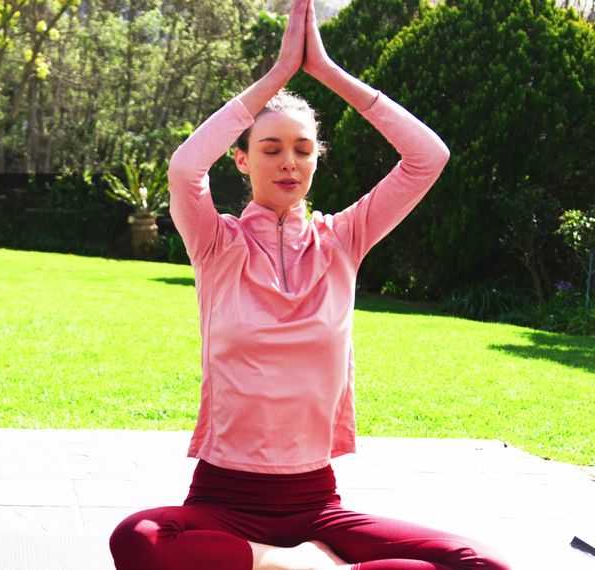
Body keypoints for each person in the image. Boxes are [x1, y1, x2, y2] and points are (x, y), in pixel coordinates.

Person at [109, 1, 509, 569]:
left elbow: (428, 156)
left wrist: (324, 70)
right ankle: (281, 561)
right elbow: (183, 170)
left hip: (315, 500)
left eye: (302, 149)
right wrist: (276, 76)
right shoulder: (215, 243)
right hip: (223, 498)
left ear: (317, 159)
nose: (288, 162)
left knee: (483, 565)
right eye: (270, 149)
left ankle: (286, 560)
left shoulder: (344, 238)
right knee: (140, 540)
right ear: (242, 160)